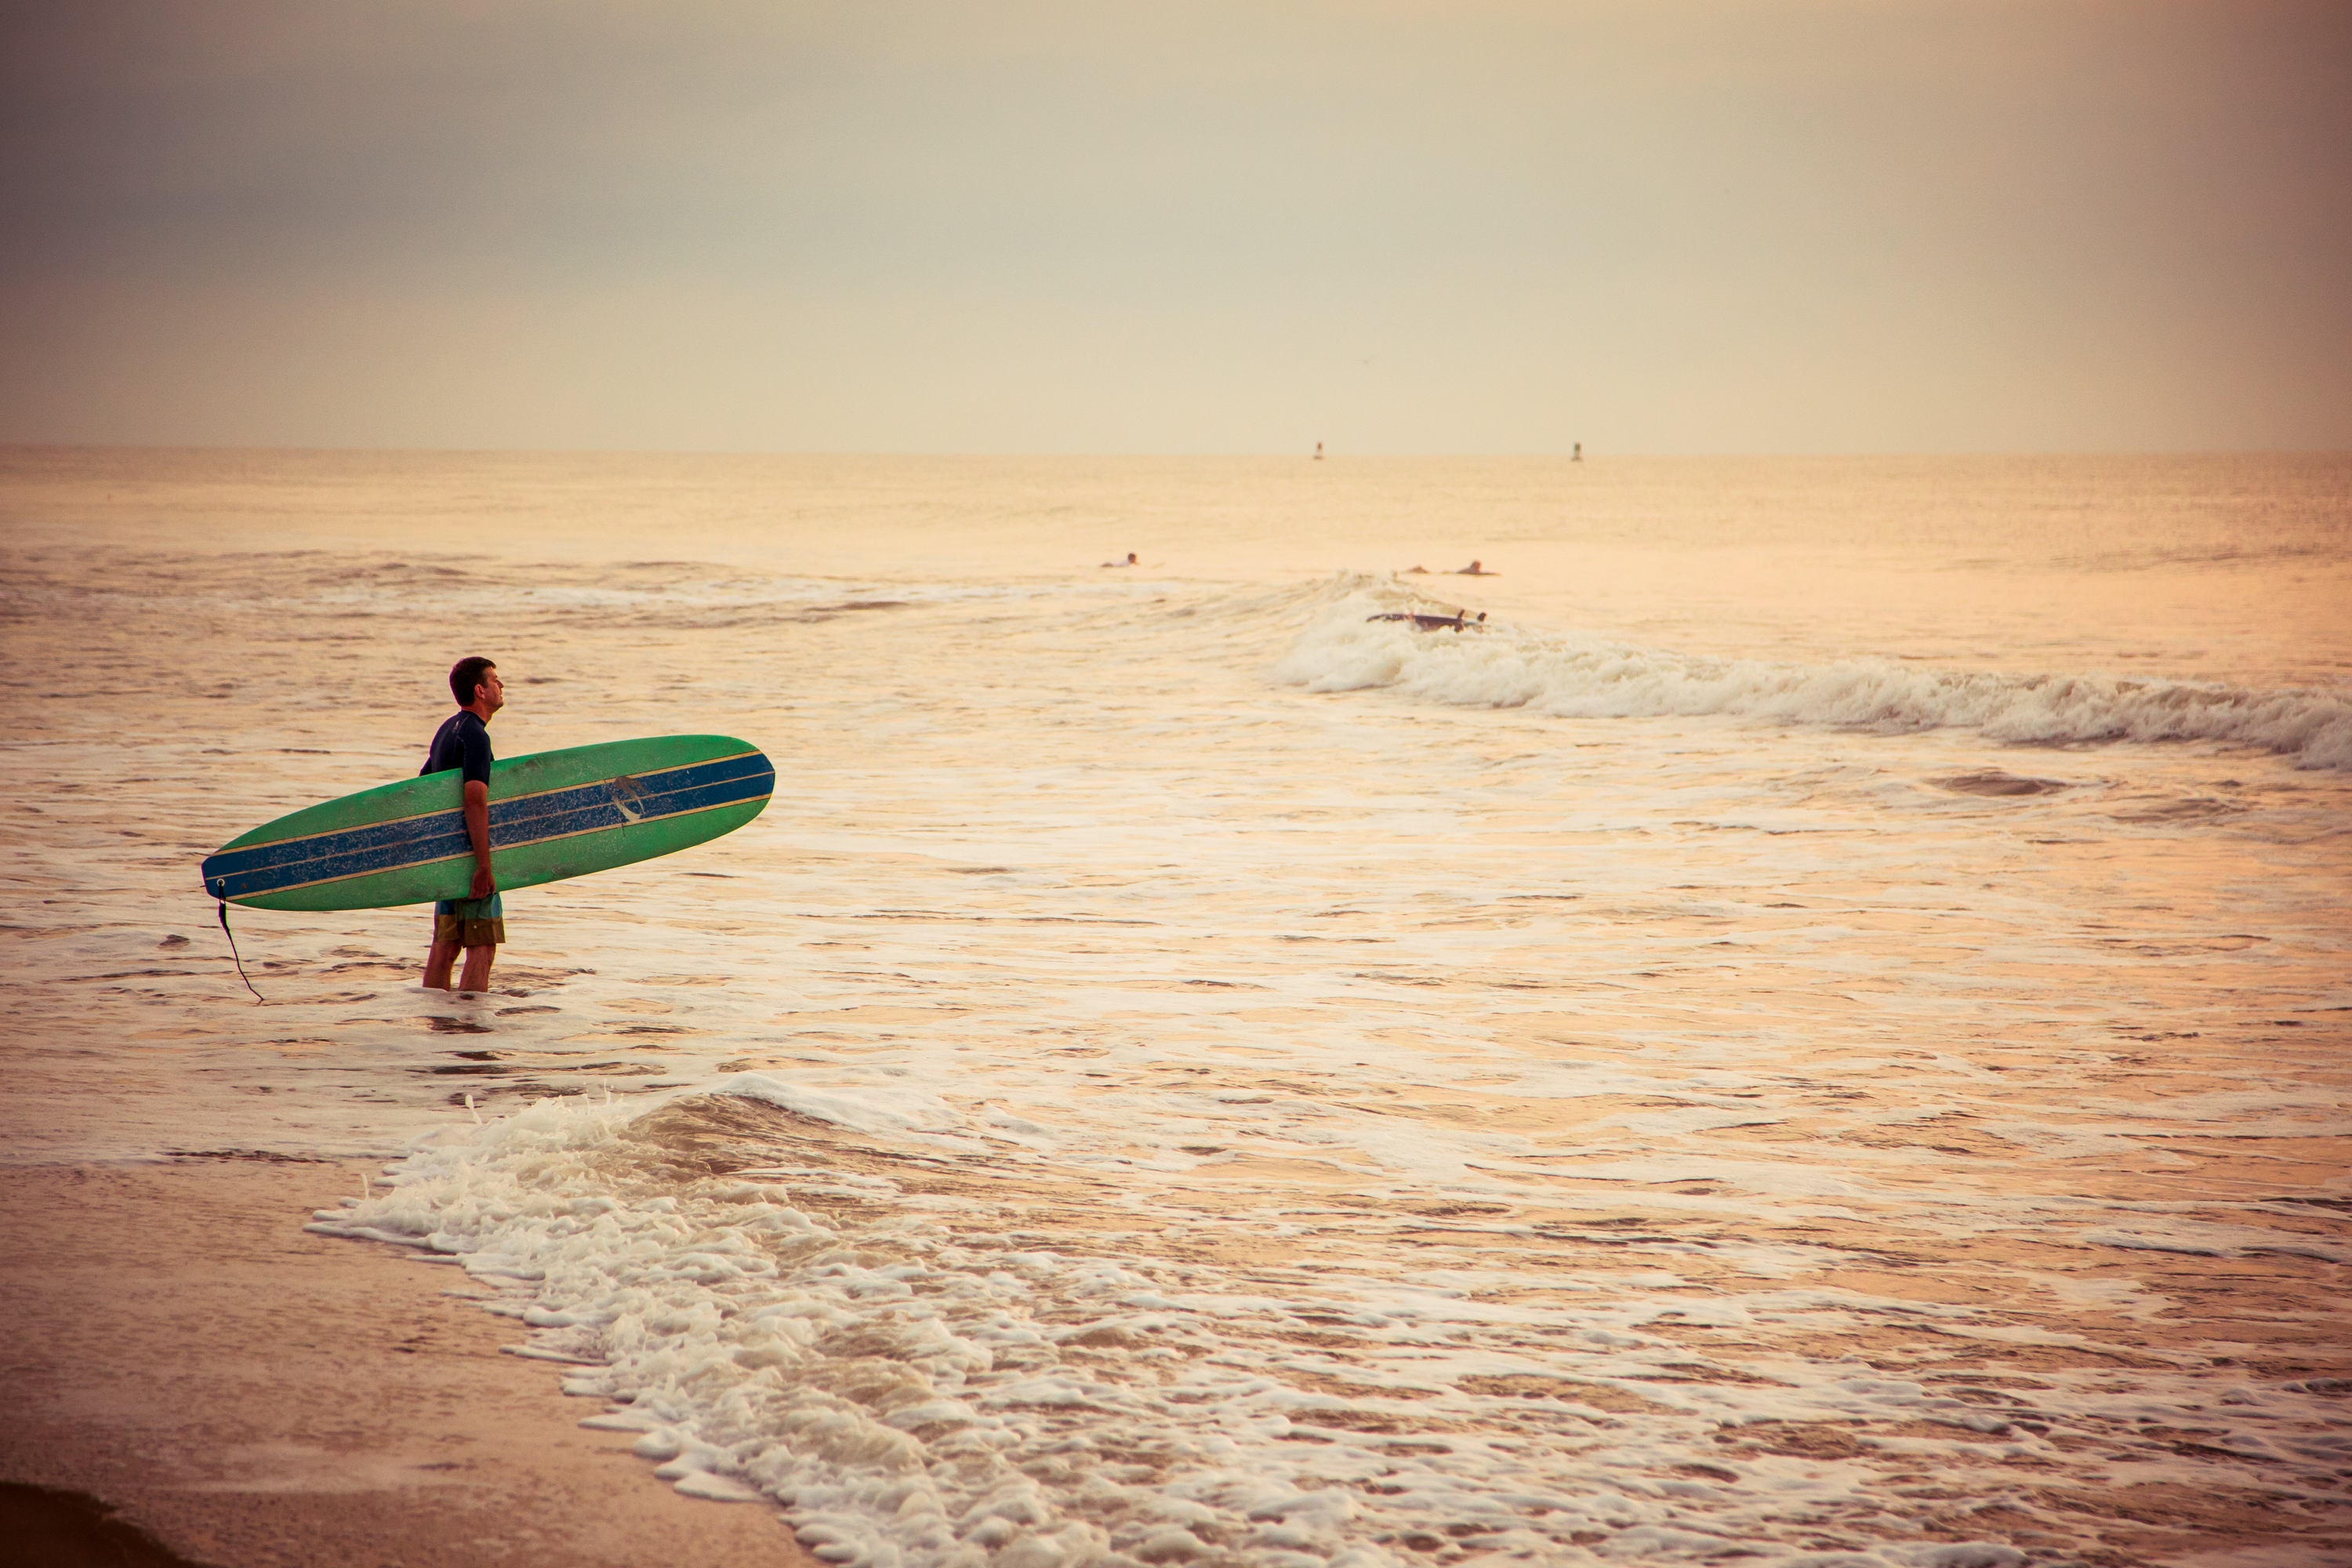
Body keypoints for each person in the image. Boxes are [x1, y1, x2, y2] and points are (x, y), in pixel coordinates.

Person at [421, 656, 505, 993]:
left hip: (449, 860)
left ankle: (436, 1022)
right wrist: (483, 866)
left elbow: (424, 789)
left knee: (446, 946)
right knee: (482, 947)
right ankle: (471, 1028)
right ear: (480, 691)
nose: (501, 686)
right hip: (470, 858)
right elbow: (475, 799)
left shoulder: (446, 731)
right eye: (496, 680)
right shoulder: (475, 735)